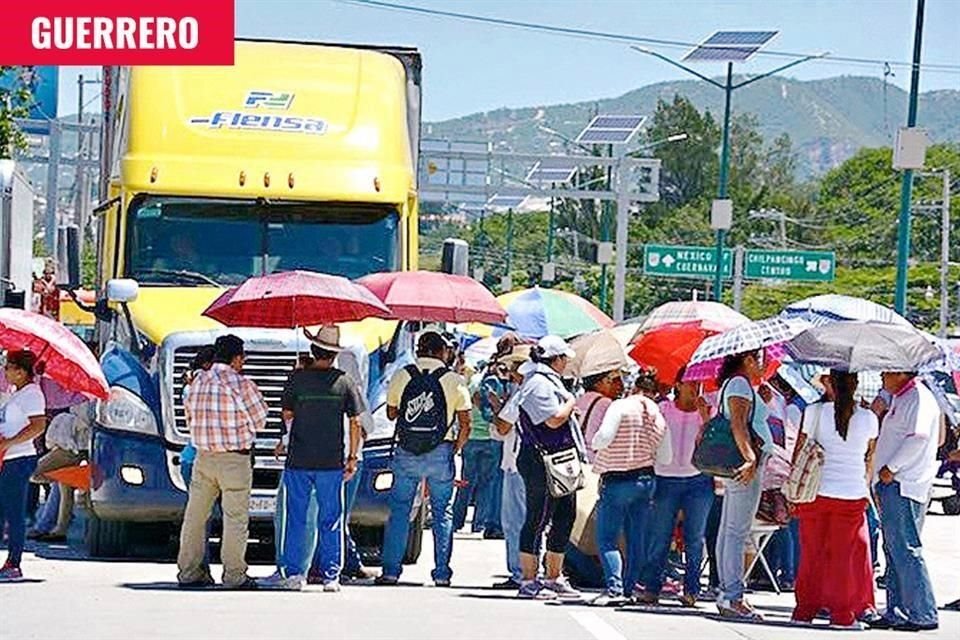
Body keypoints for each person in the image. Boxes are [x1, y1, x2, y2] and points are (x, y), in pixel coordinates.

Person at [263, 326, 362, 592]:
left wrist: (283, 442)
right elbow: (355, 423)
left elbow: (286, 417)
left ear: (312, 350)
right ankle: (331, 576)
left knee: (296, 517)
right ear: (333, 354)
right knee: (331, 518)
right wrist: (352, 457)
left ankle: (295, 573)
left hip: (299, 460)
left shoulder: (297, 380)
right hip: (331, 462)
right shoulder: (344, 382)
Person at [376, 331, 472, 587]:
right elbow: (466, 422)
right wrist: (456, 449)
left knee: (399, 511)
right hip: (441, 452)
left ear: (419, 349)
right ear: (443, 351)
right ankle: (442, 573)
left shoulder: (402, 374)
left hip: (407, 451)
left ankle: (390, 571)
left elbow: (391, 413)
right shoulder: (454, 380)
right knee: (442, 513)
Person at [176, 335, 268, 590]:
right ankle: (234, 575)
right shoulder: (242, 384)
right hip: (234, 460)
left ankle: (190, 572)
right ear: (237, 358)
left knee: (195, 518)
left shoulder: (196, 382)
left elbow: (189, 418)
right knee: (235, 518)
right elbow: (260, 420)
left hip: (203, 458)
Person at [790, 370, 879, 628]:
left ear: (829, 383)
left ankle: (804, 611)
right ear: (856, 385)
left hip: (815, 492)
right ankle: (841, 615)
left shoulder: (814, 412)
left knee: (811, 554)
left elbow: (800, 448)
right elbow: (869, 455)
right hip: (850, 493)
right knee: (842, 558)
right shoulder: (868, 418)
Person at [500, 335, 583, 601]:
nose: (566, 364)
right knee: (538, 517)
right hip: (540, 458)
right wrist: (571, 402)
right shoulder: (539, 384)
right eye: (564, 359)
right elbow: (554, 420)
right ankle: (528, 578)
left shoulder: (544, 381)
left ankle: (553, 576)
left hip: (558, 458)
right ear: (556, 359)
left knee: (564, 515)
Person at [868, 371, 941, 632]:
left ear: (901, 372)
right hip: (893, 483)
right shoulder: (902, 396)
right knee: (894, 549)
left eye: (887, 371)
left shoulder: (918, 397)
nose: (882, 375)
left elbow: (918, 439)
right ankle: (897, 610)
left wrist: (892, 467)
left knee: (906, 548)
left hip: (903, 483)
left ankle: (922, 612)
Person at [590, 373, 669, 606]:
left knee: (607, 538)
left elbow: (602, 438)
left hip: (616, 480)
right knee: (637, 539)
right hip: (645, 480)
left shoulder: (620, 406)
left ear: (632, 387)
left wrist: (596, 443)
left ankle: (614, 589)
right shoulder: (656, 413)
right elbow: (666, 456)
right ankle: (630, 587)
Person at [639, 368, 714, 607]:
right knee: (660, 536)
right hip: (665, 479)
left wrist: (705, 419)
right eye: (689, 383)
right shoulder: (663, 410)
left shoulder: (707, 412)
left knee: (695, 538)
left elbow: (712, 447)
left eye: (697, 383)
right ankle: (652, 586)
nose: (694, 388)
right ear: (678, 385)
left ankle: (691, 589)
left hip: (698, 480)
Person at [713, 350, 773, 620]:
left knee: (729, 530)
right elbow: (738, 422)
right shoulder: (739, 384)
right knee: (736, 531)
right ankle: (733, 595)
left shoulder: (737, 384)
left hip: (737, 464)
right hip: (745, 464)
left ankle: (728, 591)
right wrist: (750, 457)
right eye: (759, 360)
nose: (763, 365)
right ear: (748, 360)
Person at [0, 350, 47, 581]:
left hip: (19, 458)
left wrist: (9, 442)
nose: (5, 371)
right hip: (7, 457)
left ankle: (14, 562)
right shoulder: (15, 393)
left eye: (8, 367)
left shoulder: (32, 394)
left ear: (21, 371)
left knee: (13, 512)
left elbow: (38, 426)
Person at [490, 346, 530, 590]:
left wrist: (497, 408)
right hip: (519, 462)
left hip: (517, 464)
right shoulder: (529, 391)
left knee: (515, 520)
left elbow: (503, 427)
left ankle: (520, 571)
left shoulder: (523, 393)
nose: (511, 371)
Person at [453, 360, 508, 537]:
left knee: (466, 482)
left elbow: (464, 408)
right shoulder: (501, 386)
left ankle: (456, 520)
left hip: (471, 438)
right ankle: (479, 524)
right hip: (490, 439)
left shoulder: (474, 382)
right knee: (486, 484)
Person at [575, 368, 624, 463]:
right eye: (614, 381)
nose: (620, 386)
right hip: (596, 459)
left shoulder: (580, 399)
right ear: (598, 383)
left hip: (580, 457)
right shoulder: (605, 403)